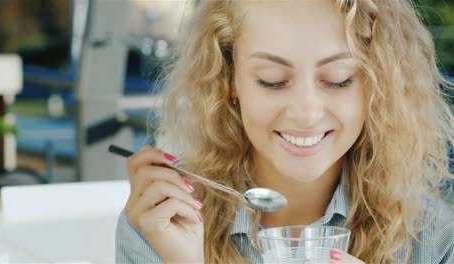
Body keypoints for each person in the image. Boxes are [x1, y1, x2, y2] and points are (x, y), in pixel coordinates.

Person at [115, 0, 454, 263]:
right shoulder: (163, 219)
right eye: (272, 80)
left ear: (377, 84)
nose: (305, 113)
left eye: (338, 79)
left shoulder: (432, 236)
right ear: (230, 80)